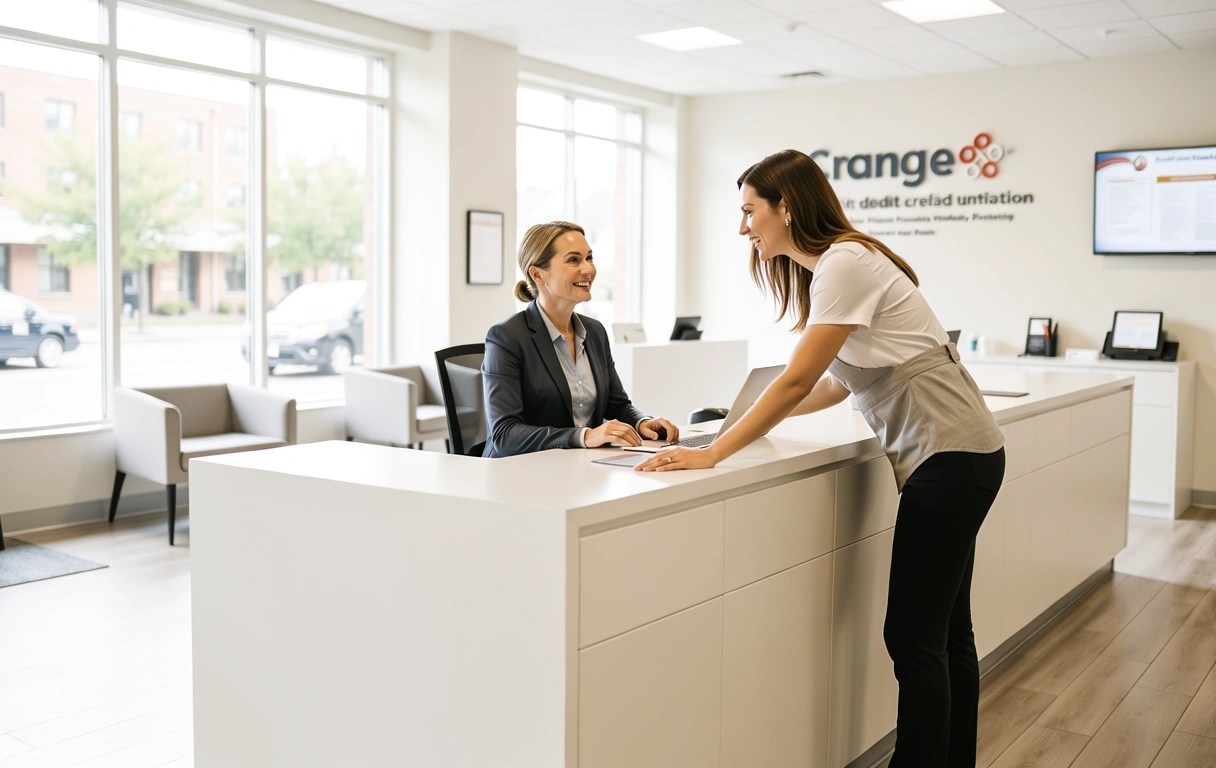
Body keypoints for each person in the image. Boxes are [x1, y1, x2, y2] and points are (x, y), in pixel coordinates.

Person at [635, 150, 1005, 768]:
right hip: (964, 455)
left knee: (914, 640)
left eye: (749, 211)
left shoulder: (844, 263)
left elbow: (797, 380)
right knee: (945, 633)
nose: (743, 227)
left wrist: (716, 452)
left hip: (949, 459)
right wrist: (737, 422)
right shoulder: (838, 265)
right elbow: (834, 384)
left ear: (786, 207)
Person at [481, 221, 680, 459]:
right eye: (573, 260)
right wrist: (585, 436)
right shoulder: (507, 337)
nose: (588, 270)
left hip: (580, 465)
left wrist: (642, 422)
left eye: (589, 258)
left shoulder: (594, 331)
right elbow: (505, 434)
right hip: (521, 470)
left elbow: (617, 406)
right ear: (537, 274)